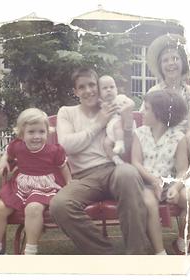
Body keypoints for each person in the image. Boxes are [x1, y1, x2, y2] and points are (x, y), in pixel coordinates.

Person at [49, 67, 149, 255]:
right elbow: (67, 145)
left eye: (92, 85)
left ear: (99, 86)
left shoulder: (111, 108)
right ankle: (105, 254)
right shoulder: (67, 112)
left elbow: (125, 147)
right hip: (83, 178)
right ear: (76, 91)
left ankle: (136, 255)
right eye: (82, 87)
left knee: (128, 173)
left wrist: (127, 123)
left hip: (113, 169)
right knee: (60, 204)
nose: (88, 91)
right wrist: (99, 124)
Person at [0, 108, 71, 255]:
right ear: (22, 134)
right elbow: (9, 151)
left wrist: (70, 184)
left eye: (41, 132)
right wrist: (3, 160)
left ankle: (29, 252)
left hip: (44, 186)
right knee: (0, 208)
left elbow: (63, 167)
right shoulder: (18, 146)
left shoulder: (54, 150)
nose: (37, 136)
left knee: (33, 208)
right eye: (31, 132)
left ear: (48, 132)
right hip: (21, 185)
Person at [131, 90, 190, 255]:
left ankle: (182, 242)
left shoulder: (178, 137)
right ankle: (160, 253)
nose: (141, 112)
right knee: (149, 204)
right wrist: (153, 180)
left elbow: (183, 169)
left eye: (146, 108)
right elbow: (135, 162)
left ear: (159, 114)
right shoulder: (140, 133)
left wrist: (175, 187)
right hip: (145, 183)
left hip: (167, 183)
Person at [145, 33, 190, 159]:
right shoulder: (153, 92)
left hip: (189, 146)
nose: (171, 63)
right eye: (165, 60)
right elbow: (146, 125)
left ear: (183, 63)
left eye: (175, 58)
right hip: (160, 146)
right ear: (160, 66)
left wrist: (189, 136)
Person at [98, 75, 135, 165]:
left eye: (112, 87)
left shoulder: (120, 98)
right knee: (106, 144)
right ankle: (116, 159)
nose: (109, 90)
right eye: (105, 88)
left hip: (123, 124)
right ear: (99, 93)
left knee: (117, 126)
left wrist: (125, 107)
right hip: (111, 130)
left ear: (116, 90)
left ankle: (120, 144)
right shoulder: (102, 105)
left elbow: (132, 103)